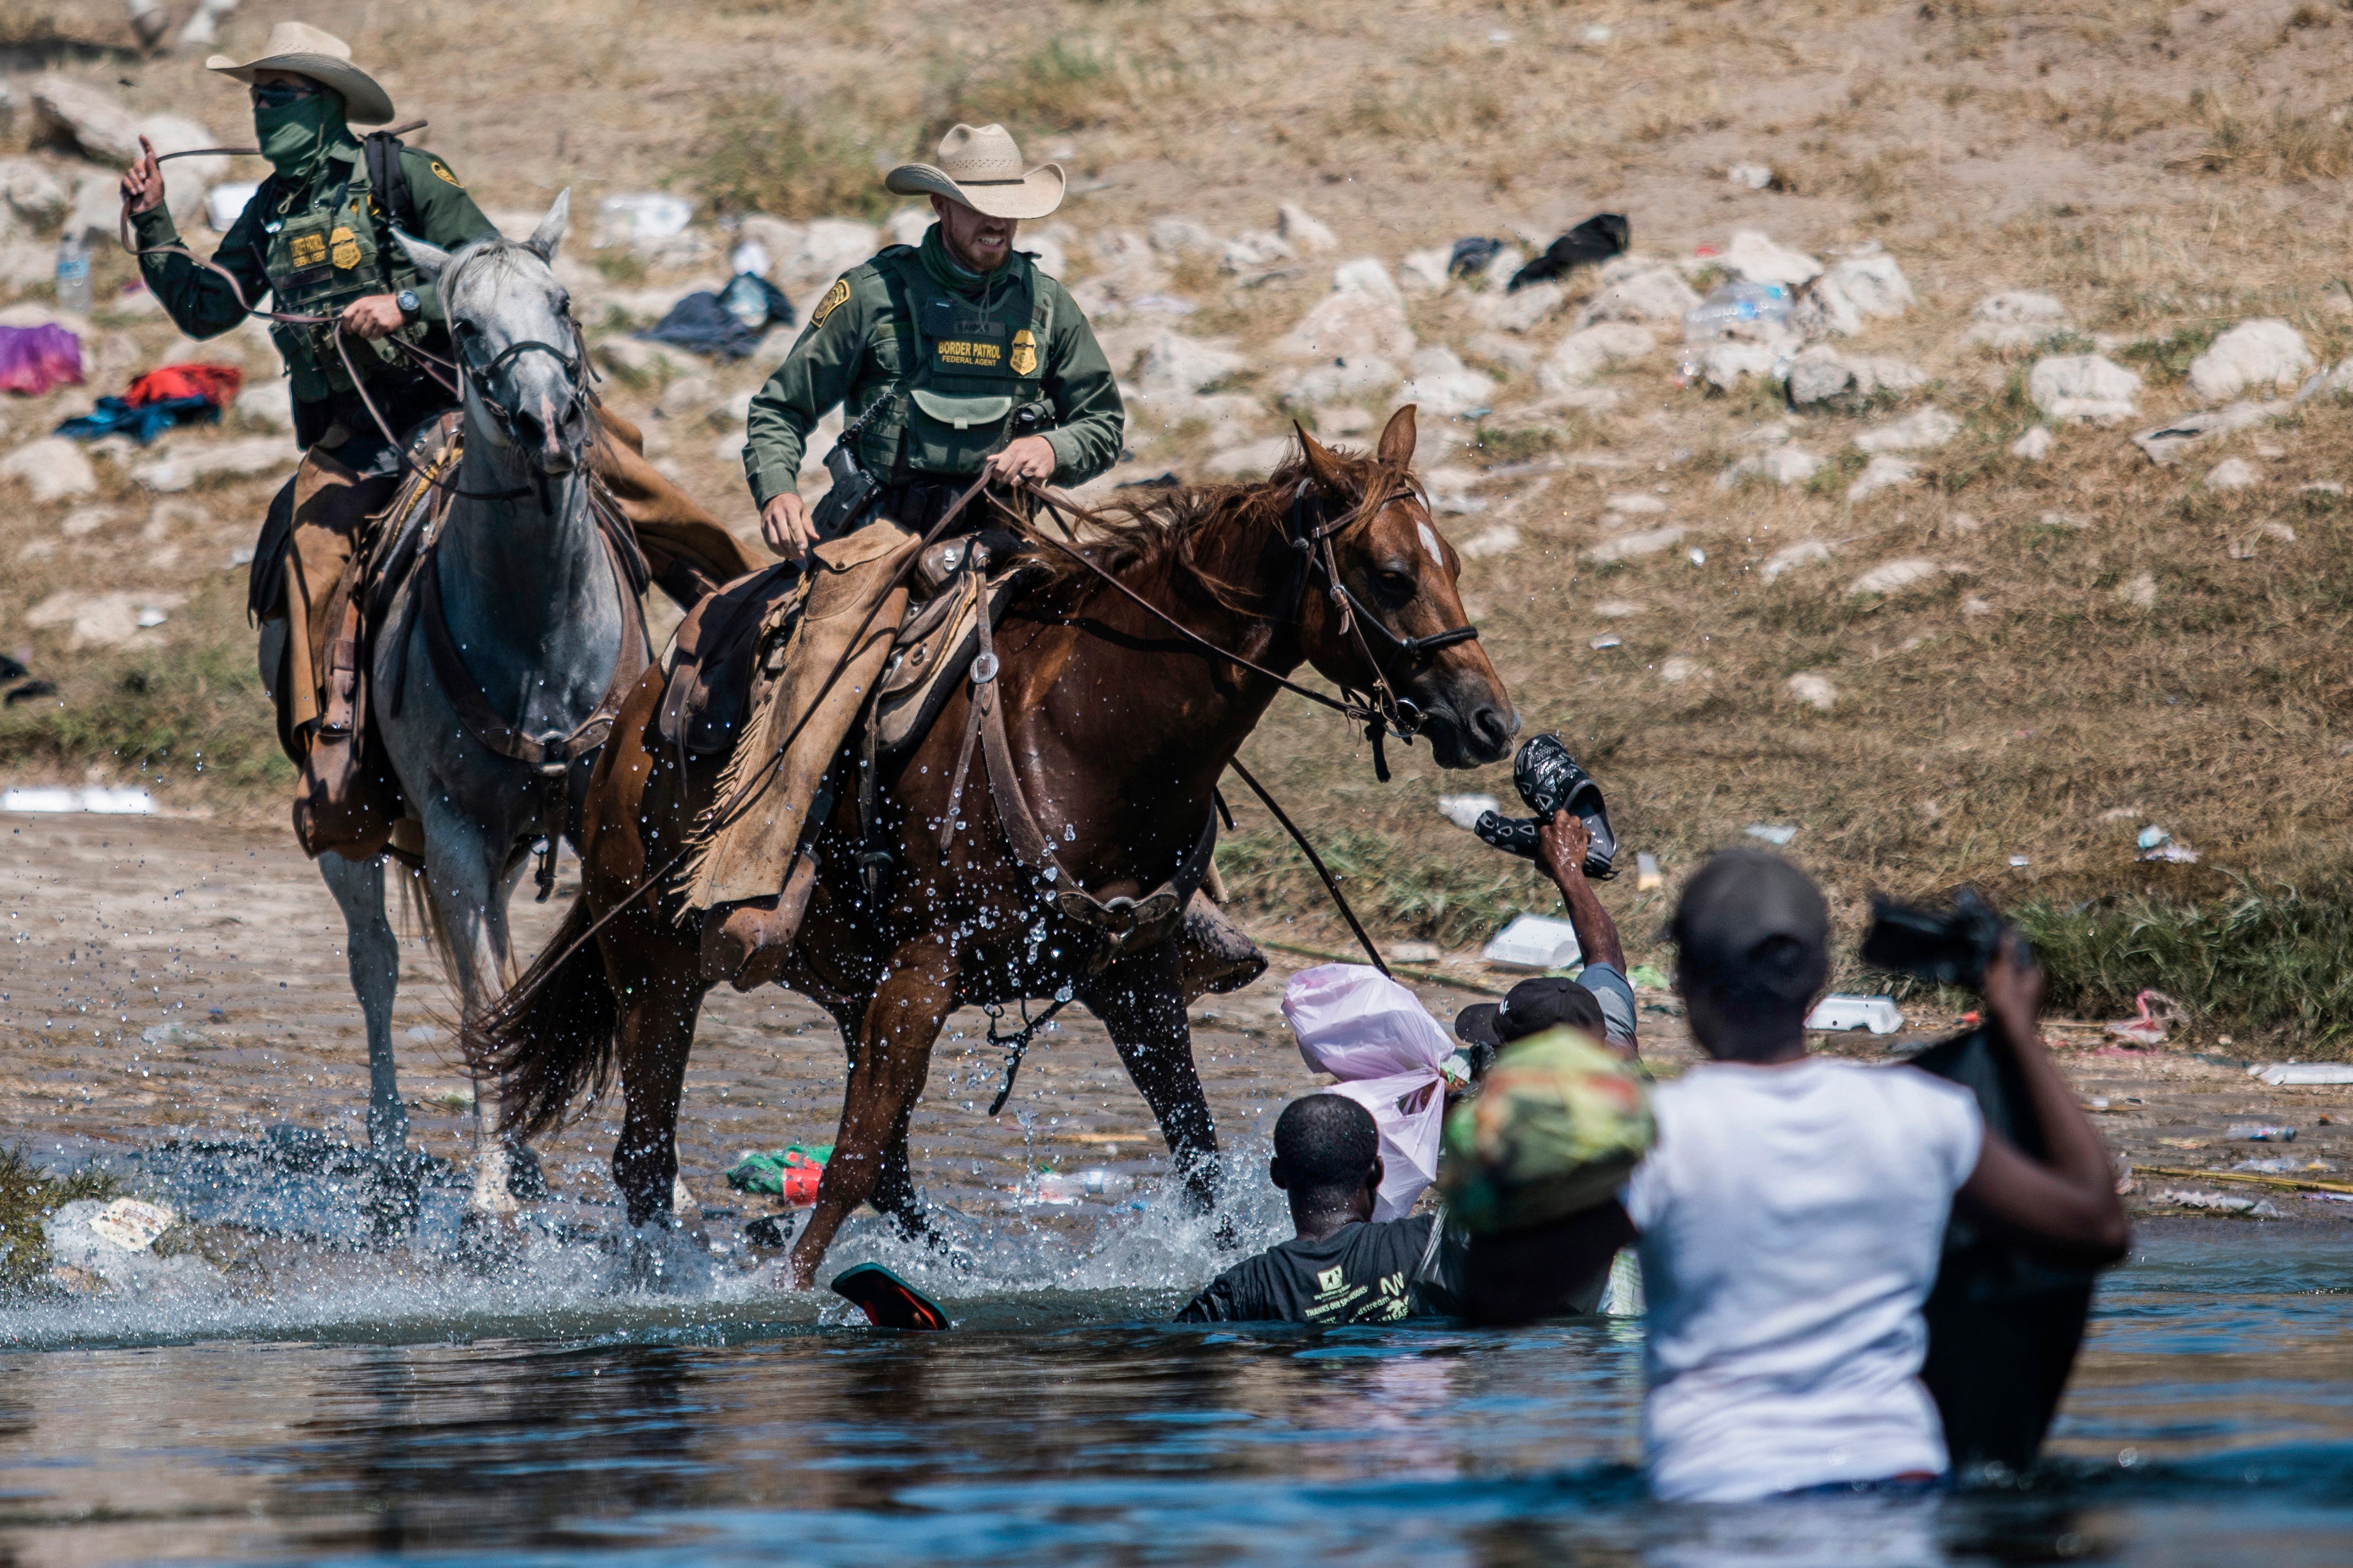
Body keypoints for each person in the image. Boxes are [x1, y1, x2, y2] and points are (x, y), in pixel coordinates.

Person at [120, 22, 752, 857]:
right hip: (352, 439)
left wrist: (408, 306)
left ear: (326, 104)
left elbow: (494, 265)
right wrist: (155, 225)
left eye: (279, 95)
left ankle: (740, 618)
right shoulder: (269, 211)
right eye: (257, 97)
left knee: (622, 470)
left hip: (461, 410)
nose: (264, 111)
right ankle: (335, 742)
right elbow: (209, 306)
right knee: (308, 552)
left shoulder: (400, 174)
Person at [696, 122, 1263, 992]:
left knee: (1134, 662)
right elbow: (779, 408)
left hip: (1009, 532)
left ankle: (1177, 899)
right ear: (941, 206)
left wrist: (1052, 450)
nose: (998, 228)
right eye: (980, 212)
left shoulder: (1046, 304)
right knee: (821, 662)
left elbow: (1102, 421)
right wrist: (776, 490)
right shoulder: (872, 294)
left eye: (1009, 213)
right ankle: (767, 873)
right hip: (890, 530)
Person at [1461, 849, 2129, 1501]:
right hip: (1898, 1490)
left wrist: (1502, 1163)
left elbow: (1505, 1296)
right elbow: (2096, 1226)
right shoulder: (1924, 1117)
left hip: (1720, 1493)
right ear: (1819, 981)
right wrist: (2018, 1029)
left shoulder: (1655, 1133)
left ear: (1687, 982)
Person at [1176, 1094, 1466, 1325]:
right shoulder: (1432, 1242)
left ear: (1277, 1175)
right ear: (1377, 1172)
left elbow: (1179, 1347)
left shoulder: (1243, 1290)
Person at [1455, 813, 1636, 1066]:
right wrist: (1567, 868)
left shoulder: (1502, 1104)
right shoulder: (1619, 1060)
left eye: (1499, 1051)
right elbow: (1607, 958)